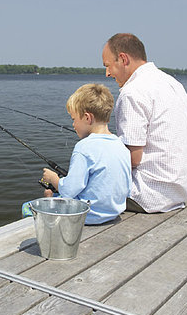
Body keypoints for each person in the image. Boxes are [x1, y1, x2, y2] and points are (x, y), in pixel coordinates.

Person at [102, 33, 187, 213]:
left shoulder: (132, 92)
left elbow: (133, 159)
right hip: (179, 193)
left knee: (80, 181)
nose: (107, 73)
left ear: (123, 59)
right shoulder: (173, 83)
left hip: (146, 196)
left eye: (108, 66)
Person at [38, 83, 132, 224]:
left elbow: (69, 190)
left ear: (87, 118)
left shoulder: (84, 148)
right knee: (55, 194)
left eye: (74, 119)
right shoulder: (121, 145)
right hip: (113, 213)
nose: (73, 125)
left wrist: (54, 179)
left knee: (27, 208)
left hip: (88, 216)